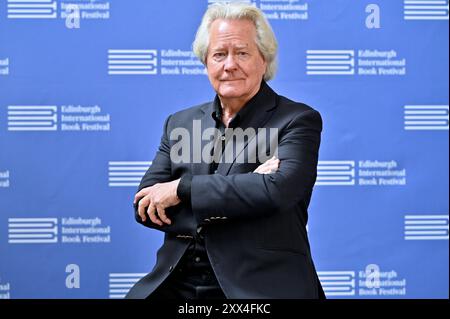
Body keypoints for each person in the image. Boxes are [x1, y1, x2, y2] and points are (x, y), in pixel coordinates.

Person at [126, 2, 324, 299]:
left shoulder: (297, 120)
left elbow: (278, 192)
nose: (229, 64)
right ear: (206, 62)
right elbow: (145, 206)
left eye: (242, 53)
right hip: (175, 283)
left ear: (264, 60)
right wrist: (249, 189)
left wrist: (182, 189)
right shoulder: (179, 123)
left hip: (258, 287)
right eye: (219, 54)